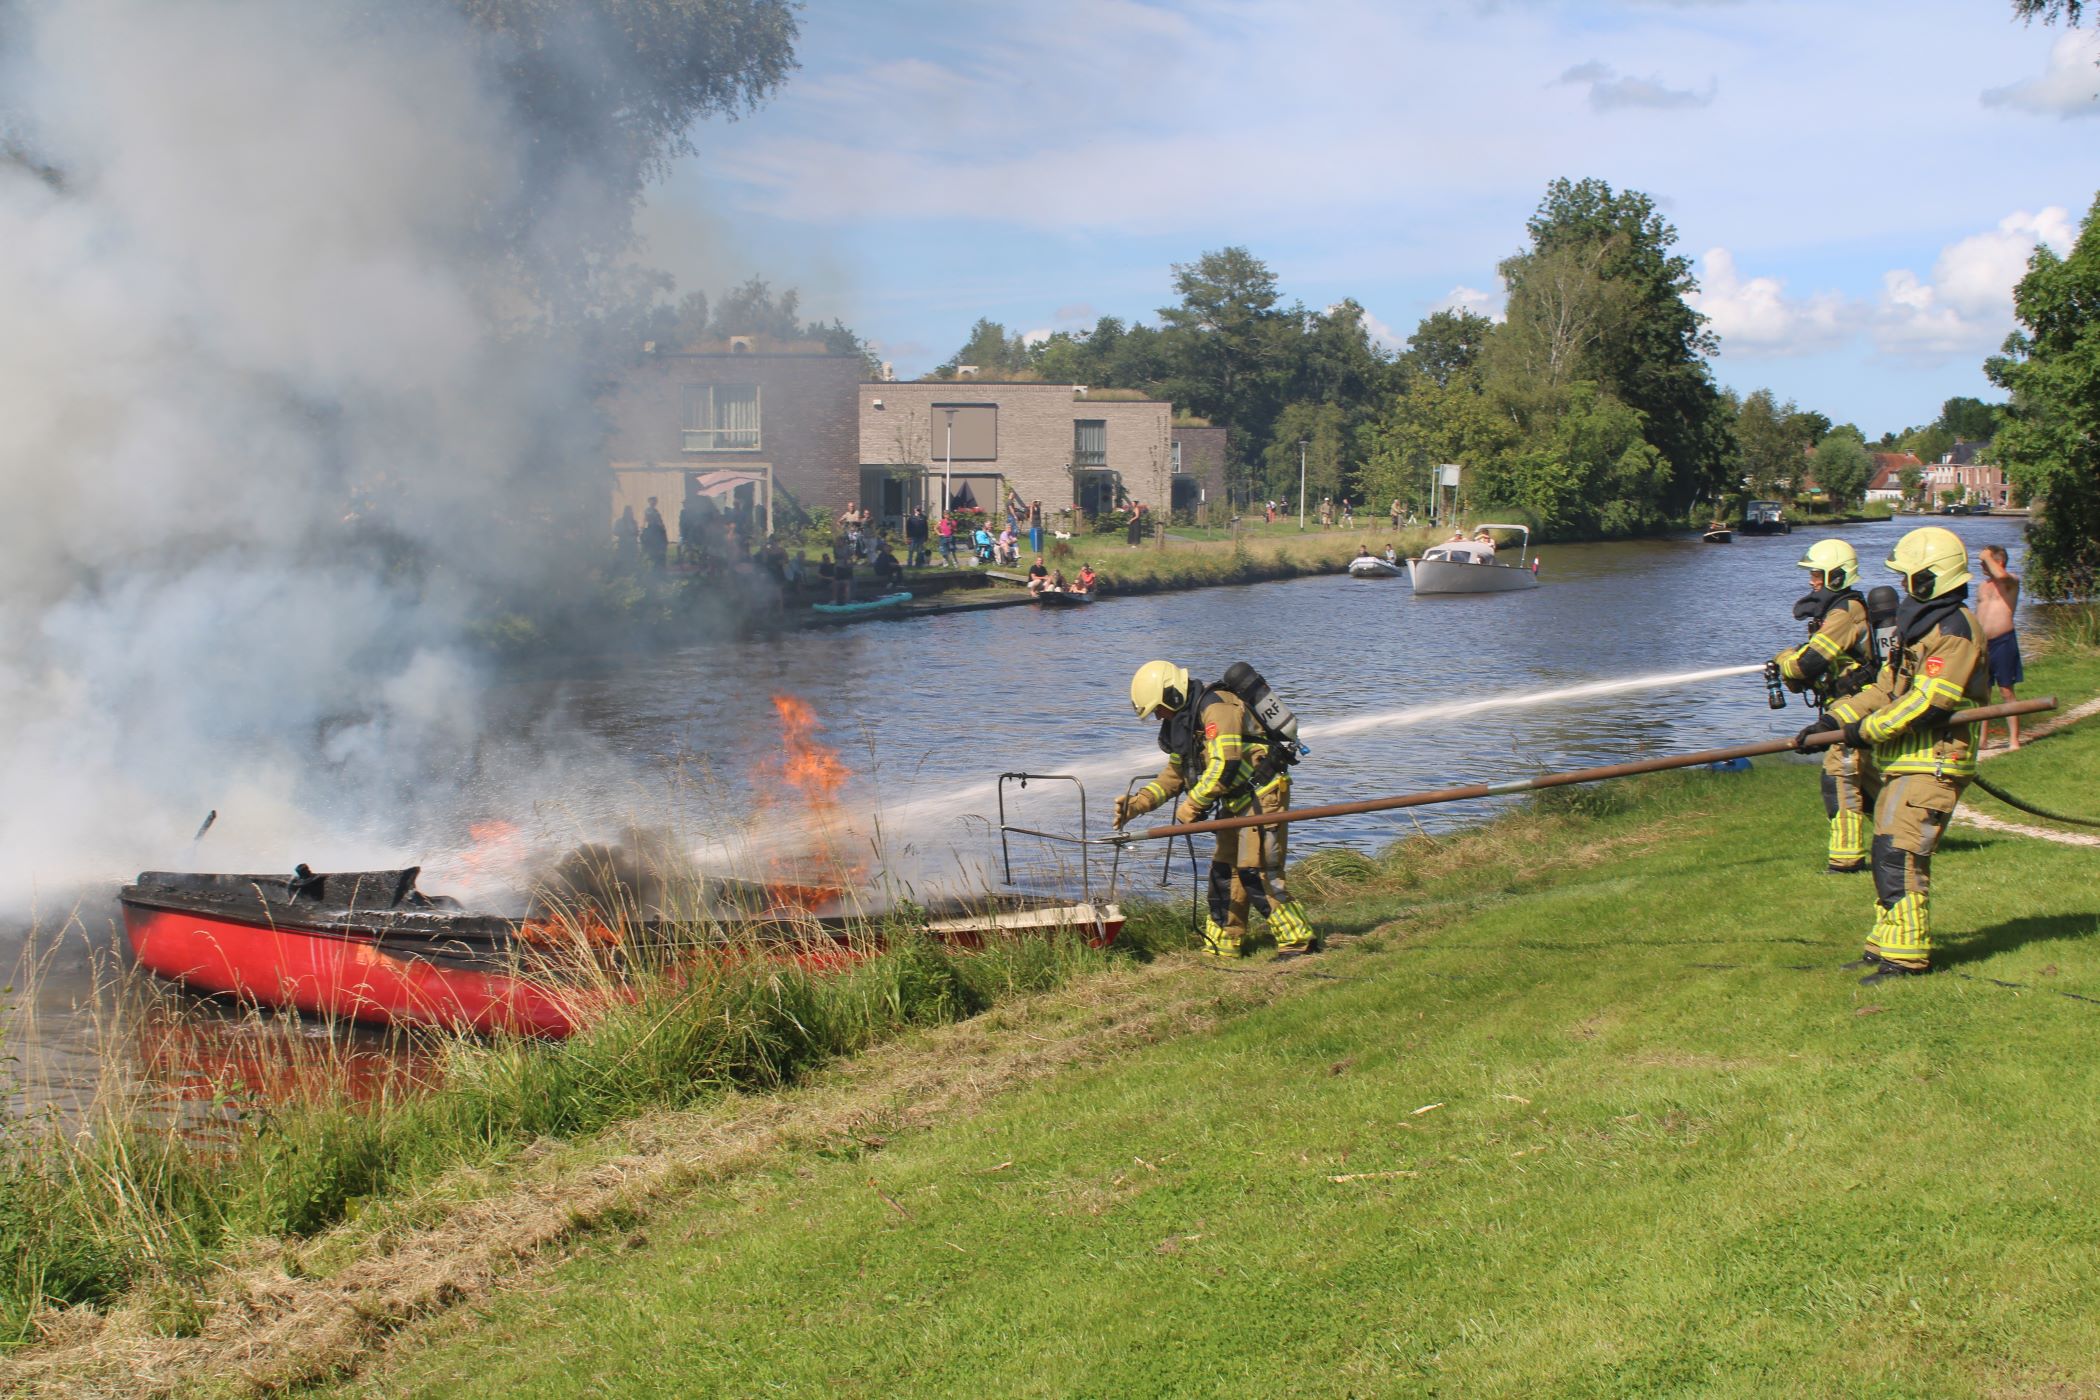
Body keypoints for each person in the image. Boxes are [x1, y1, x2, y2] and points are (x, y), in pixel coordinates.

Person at [1803, 527, 1990, 985]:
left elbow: (1930, 702)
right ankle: (1884, 947)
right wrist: (1833, 721)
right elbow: (1887, 688)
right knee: (1887, 848)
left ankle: (1906, 958)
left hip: (1937, 758)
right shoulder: (1921, 626)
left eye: (1909, 579)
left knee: (1898, 854)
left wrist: (1865, 730)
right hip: (1908, 760)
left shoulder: (1955, 631)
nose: (1904, 588)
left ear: (1928, 580)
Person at [1112, 661, 1317, 959]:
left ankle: (1298, 941)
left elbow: (1226, 764)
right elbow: (1175, 774)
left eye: (1158, 709)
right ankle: (1224, 945)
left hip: (1262, 795)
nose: (1158, 717)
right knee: (1223, 873)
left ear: (1172, 695)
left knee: (1256, 872)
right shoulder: (1185, 720)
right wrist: (1137, 805)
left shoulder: (1217, 709)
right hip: (1235, 801)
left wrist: (1193, 804)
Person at [1772, 539, 1875, 875]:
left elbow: (1808, 663)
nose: (1811, 581)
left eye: (1817, 574)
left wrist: (1785, 660)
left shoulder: (1846, 614)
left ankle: (1845, 860)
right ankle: (1911, 831)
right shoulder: (1837, 612)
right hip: (1850, 704)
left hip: (1854, 706)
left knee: (1839, 775)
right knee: (1871, 783)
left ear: (1835, 576)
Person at [1977, 544, 2023, 750]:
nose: (1982, 565)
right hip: (1984, 644)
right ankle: (1982, 740)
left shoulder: (2011, 581)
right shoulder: (1982, 586)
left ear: (1999, 562)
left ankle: (2014, 739)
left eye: (1985, 561)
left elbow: (2001, 576)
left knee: (2006, 690)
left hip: (2004, 641)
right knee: (1983, 692)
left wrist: (1988, 557)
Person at [640, 497, 668, 572]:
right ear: (649, 502)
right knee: (652, 547)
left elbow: (659, 520)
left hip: (657, 529)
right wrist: (643, 527)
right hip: (652, 529)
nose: (654, 503)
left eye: (655, 501)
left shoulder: (656, 511)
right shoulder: (648, 510)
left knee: (660, 547)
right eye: (653, 501)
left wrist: (662, 526)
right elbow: (646, 519)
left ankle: (660, 565)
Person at [829, 534, 855, 605]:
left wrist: (849, 561)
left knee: (847, 584)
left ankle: (847, 600)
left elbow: (852, 555)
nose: (838, 543)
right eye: (837, 541)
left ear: (843, 541)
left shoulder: (847, 547)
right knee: (836, 584)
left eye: (839, 541)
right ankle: (835, 600)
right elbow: (836, 557)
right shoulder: (835, 548)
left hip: (846, 567)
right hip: (839, 566)